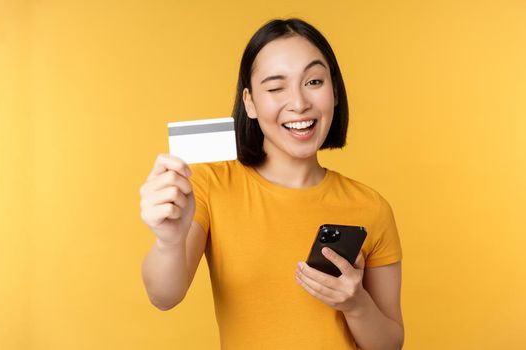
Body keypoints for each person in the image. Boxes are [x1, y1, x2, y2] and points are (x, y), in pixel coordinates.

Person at [139, 18, 404, 350]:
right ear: (250, 102)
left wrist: (356, 303)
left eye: (314, 81)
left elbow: (390, 344)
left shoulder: (371, 207)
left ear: (334, 91)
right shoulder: (210, 184)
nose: (298, 103)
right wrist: (169, 241)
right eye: (276, 87)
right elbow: (164, 296)